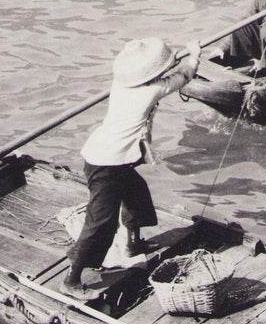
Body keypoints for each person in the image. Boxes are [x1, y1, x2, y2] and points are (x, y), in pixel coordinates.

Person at [61, 36, 201, 299]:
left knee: (136, 191)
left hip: (111, 156)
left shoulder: (121, 84)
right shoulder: (150, 91)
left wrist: (172, 63)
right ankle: (71, 279)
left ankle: (133, 244)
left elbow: (163, 77)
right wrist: (194, 54)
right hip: (106, 163)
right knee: (101, 222)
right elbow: (183, 77)